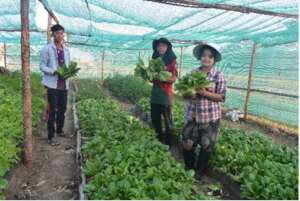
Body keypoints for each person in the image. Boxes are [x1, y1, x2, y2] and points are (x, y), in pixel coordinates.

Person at [182, 44, 227, 180]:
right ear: (200, 57)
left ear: (214, 60)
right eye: (204, 55)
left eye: (210, 56)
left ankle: (199, 172)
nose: (206, 58)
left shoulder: (218, 76)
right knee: (187, 142)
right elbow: (184, 93)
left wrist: (203, 92)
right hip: (193, 115)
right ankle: (189, 168)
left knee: (207, 146)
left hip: (211, 117)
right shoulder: (192, 74)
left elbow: (221, 97)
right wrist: (190, 94)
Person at [39, 24, 71, 146]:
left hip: (64, 85)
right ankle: (51, 136)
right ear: (53, 34)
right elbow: (42, 66)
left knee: (62, 109)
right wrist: (54, 71)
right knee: (52, 110)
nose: (60, 35)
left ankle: (60, 130)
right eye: (58, 33)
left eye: (62, 33)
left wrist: (68, 73)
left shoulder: (66, 50)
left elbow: (67, 65)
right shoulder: (47, 49)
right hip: (52, 85)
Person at [150, 38, 178, 147]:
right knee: (155, 119)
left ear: (167, 48)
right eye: (159, 46)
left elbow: (173, 79)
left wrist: (161, 76)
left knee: (168, 122)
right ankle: (159, 142)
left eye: (163, 46)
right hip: (155, 94)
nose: (160, 48)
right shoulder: (154, 60)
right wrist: (150, 76)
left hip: (166, 94)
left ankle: (169, 145)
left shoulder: (172, 61)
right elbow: (152, 79)